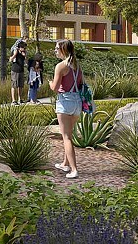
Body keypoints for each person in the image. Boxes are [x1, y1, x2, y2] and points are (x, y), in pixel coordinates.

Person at [50, 39, 82, 179]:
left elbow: (55, 88)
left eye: (57, 48)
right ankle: (64, 163)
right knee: (69, 134)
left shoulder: (60, 66)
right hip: (77, 103)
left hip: (65, 102)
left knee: (66, 137)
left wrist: (50, 83)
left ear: (63, 50)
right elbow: (80, 84)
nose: (55, 51)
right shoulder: (76, 65)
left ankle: (74, 170)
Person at [10, 39, 27, 104]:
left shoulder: (24, 53)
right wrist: (15, 55)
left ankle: (20, 98)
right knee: (14, 85)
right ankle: (13, 100)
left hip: (21, 70)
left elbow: (26, 62)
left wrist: (25, 56)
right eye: (23, 48)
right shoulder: (15, 51)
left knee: (20, 85)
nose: (24, 49)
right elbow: (10, 59)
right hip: (15, 70)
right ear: (20, 47)